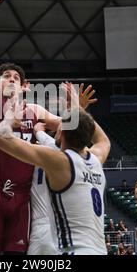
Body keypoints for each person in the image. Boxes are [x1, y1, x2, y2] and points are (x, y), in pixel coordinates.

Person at [0, 0, 65, 255]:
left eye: (15, 77)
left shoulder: (35, 110)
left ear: (25, 87)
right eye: (5, 76)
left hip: (23, 198)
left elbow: (70, 127)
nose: (10, 79)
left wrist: (76, 111)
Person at [0, 106, 111, 255]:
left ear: (63, 133)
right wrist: (78, 109)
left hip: (75, 251)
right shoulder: (97, 158)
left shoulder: (59, 161)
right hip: (100, 251)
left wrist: (8, 120)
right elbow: (104, 140)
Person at [27, 84, 97, 255]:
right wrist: (77, 108)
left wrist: (37, 129)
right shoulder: (81, 158)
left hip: (42, 228)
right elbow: (82, 130)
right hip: (67, 231)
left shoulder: (44, 150)